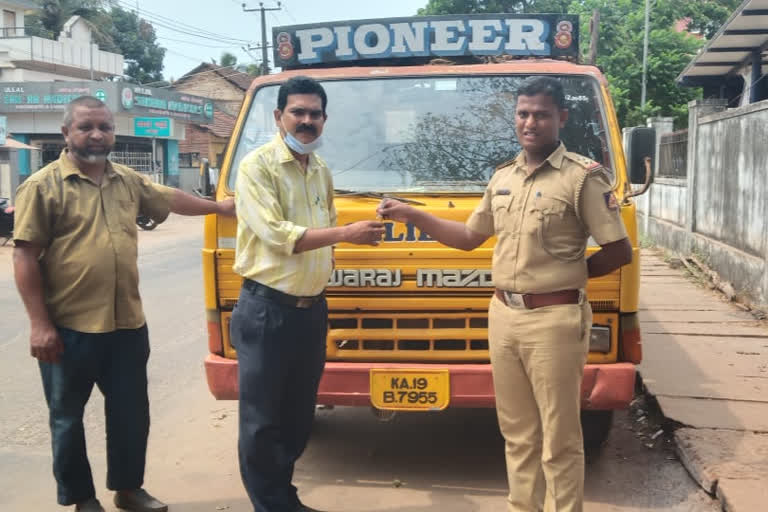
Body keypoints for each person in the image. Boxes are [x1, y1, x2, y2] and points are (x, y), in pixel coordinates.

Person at [377, 76, 633, 512]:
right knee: (517, 433)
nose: (530, 122)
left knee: (559, 438)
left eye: (541, 114)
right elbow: (468, 237)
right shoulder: (502, 178)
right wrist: (411, 214)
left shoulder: (581, 178)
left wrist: (569, 278)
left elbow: (618, 250)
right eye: (523, 113)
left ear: (561, 118)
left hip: (554, 322)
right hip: (503, 317)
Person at [12, 96, 236, 512]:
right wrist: (39, 325)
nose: (97, 134)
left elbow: (169, 198)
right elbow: (24, 255)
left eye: (105, 127)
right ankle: (82, 498)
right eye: (86, 127)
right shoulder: (42, 186)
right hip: (67, 328)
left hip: (126, 325)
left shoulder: (126, 180)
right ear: (66, 133)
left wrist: (219, 207)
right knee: (67, 419)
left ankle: (129, 490)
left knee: (131, 415)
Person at [231, 76, 385, 512]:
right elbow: (281, 236)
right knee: (262, 420)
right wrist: (347, 233)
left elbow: (324, 234)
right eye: (298, 112)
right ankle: (273, 504)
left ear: (324, 120)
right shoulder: (255, 167)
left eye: (315, 114)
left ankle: (283, 495)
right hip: (266, 309)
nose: (307, 121)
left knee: (298, 415)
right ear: (278, 116)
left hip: (310, 311)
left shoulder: (320, 170)